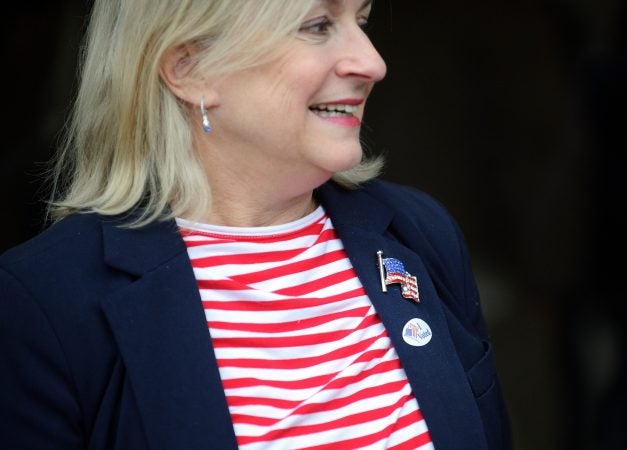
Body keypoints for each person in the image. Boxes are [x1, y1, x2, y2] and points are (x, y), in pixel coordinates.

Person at [0, 0, 511, 449]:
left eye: (362, 19)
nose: (373, 62)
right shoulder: (44, 302)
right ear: (190, 66)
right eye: (316, 25)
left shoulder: (418, 232)